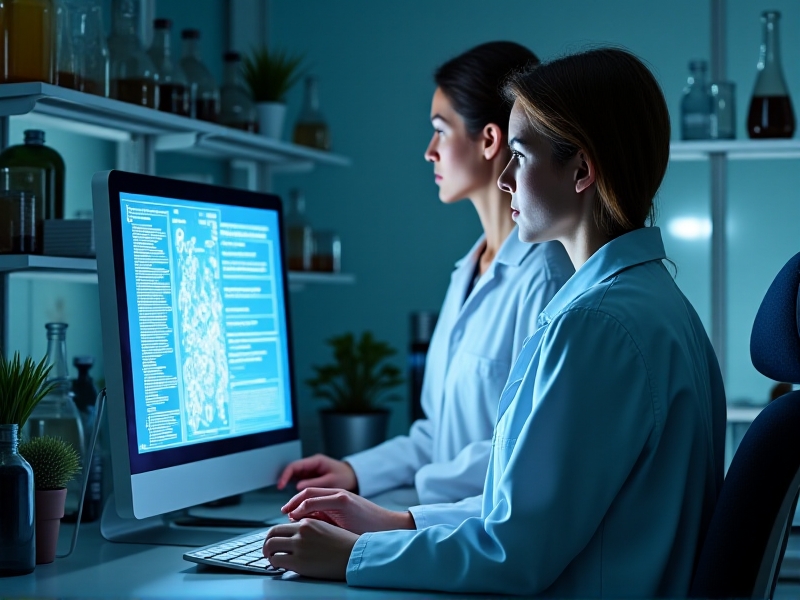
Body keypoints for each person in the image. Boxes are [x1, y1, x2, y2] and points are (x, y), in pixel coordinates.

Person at [263, 47, 727, 597]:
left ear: (581, 169)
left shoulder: (598, 325)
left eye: (522, 155)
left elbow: (514, 553)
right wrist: (398, 523)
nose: (504, 177)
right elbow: (528, 509)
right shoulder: (649, 302)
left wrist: (356, 555)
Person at [276, 42, 574, 505]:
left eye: (441, 131)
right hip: (444, 517)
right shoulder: (468, 272)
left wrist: (406, 497)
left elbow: (525, 447)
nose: (429, 152)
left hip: (481, 526)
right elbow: (436, 435)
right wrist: (353, 472)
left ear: (491, 140)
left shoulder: (546, 277)